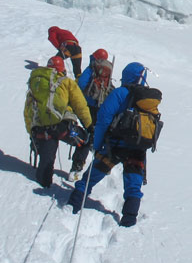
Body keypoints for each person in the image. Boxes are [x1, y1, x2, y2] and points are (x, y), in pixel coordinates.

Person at [67, 62, 156, 227]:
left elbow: (104, 118)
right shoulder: (148, 99)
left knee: (91, 176)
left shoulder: (120, 93)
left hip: (113, 145)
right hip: (137, 148)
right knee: (133, 184)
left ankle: (74, 203)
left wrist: (98, 142)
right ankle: (129, 220)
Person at [24, 56, 93, 188]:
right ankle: (76, 168)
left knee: (46, 167)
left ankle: (44, 182)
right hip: (63, 128)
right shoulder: (66, 82)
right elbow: (80, 106)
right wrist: (89, 126)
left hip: (41, 131)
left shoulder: (36, 83)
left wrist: (31, 132)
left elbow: (28, 110)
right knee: (85, 141)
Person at [71, 48, 113, 180]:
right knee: (101, 135)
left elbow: (81, 84)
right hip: (102, 107)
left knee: (87, 135)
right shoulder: (107, 70)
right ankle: (103, 165)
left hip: (88, 106)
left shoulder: (91, 69)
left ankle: (77, 167)